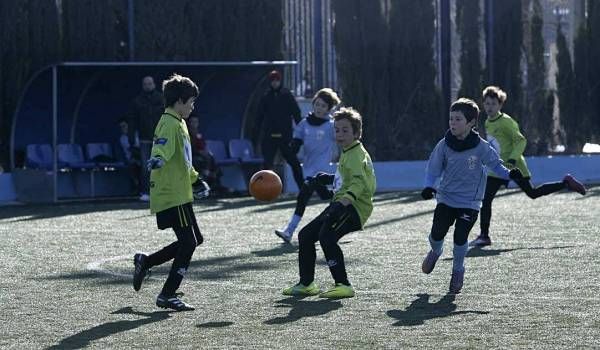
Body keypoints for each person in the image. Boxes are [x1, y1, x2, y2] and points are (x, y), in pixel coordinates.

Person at [420, 98, 523, 294]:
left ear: (471, 123)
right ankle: (436, 250)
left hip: (470, 202)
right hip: (446, 198)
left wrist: (510, 174)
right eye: (451, 119)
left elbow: (496, 165)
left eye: (458, 119)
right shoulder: (444, 144)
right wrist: (428, 186)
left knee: (460, 237)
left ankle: (458, 270)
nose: (452, 123)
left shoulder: (481, 147)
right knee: (436, 234)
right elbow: (432, 170)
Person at [470, 86, 586, 247]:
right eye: (487, 103)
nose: (490, 107)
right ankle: (484, 236)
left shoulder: (506, 122)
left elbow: (521, 141)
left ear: (500, 105)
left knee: (533, 193)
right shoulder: (488, 122)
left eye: (493, 104)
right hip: (497, 170)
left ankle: (565, 183)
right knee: (486, 200)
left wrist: (512, 159)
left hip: (515, 167)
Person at [132, 74, 210, 311]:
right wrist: (156, 159)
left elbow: (184, 161)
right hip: (172, 194)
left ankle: (146, 261)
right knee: (188, 243)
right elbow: (162, 148)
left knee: (195, 240)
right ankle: (167, 293)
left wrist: (196, 181)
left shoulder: (179, 122)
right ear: (179, 102)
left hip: (180, 191)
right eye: (191, 102)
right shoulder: (168, 123)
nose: (193, 106)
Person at [282, 107, 376, 299]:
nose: (339, 134)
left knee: (327, 236)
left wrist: (341, 204)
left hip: (353, 208)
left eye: (345, 130)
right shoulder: (348, 152)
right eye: (337, 130)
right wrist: (324, 178)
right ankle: (307, 284)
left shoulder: (357, 154)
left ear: (357, 133)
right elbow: (346, 179)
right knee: (306, 235)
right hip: (341, 204)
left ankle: (343, 285)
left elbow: (358, 183)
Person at [275, 88, 341, 243]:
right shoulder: (304, 124)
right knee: (325, 195)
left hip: (321, 171)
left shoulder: (331, 126)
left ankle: (289, 231)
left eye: (323, 106)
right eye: (317, 104)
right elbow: (296, 144)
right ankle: (343, 206)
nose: (319, 108)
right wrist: (289, 150)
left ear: (329, 108)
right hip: (309, 170)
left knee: (302, 197)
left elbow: (342, 142)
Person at [254, 70, 304, 189]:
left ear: (280, 81)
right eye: (272, 81)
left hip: (285, 135)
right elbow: (259, 116)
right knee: (267, 164)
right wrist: (256, 134)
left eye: (277, 80)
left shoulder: (287, 95)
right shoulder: (266, 96)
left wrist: (301, 129)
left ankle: (302, 188)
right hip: (269, 135)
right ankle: (264, 189)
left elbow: (296, 112)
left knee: (294, 163)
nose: (275, 83)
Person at [127, 76, 165, 201]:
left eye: (150, 83)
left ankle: (161, 192)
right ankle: (145, 192)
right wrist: (132, 139)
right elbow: (132, 122)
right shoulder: (137, 101)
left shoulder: (161, 99)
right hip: (144, 139)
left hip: (159, 139)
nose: (148, 86)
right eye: (145, 84)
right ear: (143, 86)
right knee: (145, 166)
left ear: (154, 84)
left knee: (161, 165)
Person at [187, 115, 228, 196]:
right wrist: (199, 152)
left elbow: (203, 146)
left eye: (196, 122)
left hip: (202, 156)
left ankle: (215, 183)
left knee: (211, 157)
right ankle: (205, 182)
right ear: (189, 123)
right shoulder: (187, 133)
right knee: (201, 160)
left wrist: (206, 152)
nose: (194, 124)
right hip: (193, 157)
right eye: (192, 122)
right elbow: (189, 149)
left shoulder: (198, 133)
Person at [118, 118, 142, 195]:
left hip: (141, 159)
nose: (123, 129)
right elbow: (130, 150)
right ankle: (136, 189)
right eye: (121, 127)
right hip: (131, 161)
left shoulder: (136, 135)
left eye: (124, 126)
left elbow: (139, 149)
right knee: (133, 168)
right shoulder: (122, 138)